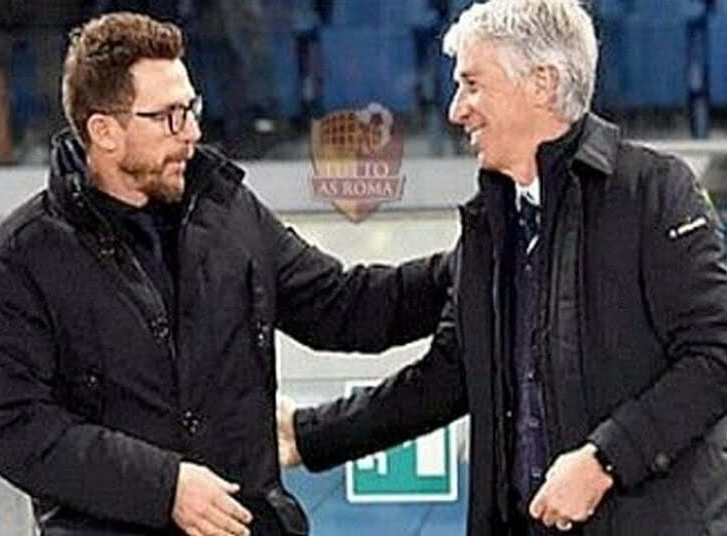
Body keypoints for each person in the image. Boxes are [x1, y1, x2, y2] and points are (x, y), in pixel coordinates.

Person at [0, 12, 451, 536]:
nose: (192, 132)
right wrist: (165, 488)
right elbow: (18, 427)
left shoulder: (228, 208)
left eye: (192, 108)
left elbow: (346, 307)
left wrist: (466, 266)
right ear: (104, 131)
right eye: (169, 116)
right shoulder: (16, 259)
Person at [278, 0, 727, 534]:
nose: (456, 110)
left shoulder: (655, 191)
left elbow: (715, 355)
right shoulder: (493, 225)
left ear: (542, 83)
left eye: (472, 84)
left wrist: (605, 461)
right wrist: (310, 434)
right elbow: (446, 378)